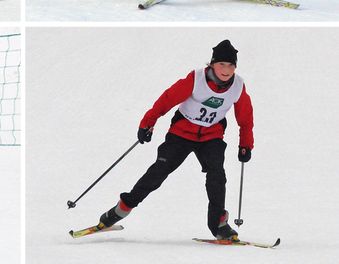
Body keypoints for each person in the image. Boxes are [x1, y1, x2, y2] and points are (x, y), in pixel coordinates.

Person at [96, 39, 253, 240]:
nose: (226, 69)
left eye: (231, 65)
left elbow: (246, 119)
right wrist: (147, 123)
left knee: (217, 177)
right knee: (157, 173)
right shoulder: (195, 79)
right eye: (222, 64)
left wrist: (245, 145)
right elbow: (167, 99)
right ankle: (121, 209)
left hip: (211, 136)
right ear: (212, 64)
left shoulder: (238, 86)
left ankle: (219, 224)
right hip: (181, 133)